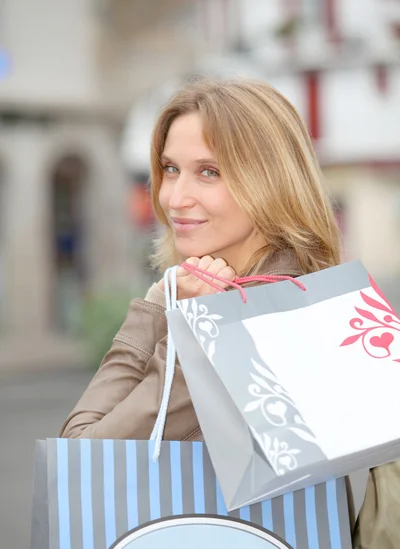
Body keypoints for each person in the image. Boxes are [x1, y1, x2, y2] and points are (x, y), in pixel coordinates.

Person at [60, 78, 340, 442]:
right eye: (171, 169)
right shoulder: (314, 296)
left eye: (209, 172)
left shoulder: (246, 317)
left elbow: (83, 455)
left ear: (271, 181)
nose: (175, 198)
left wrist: (181, 324)